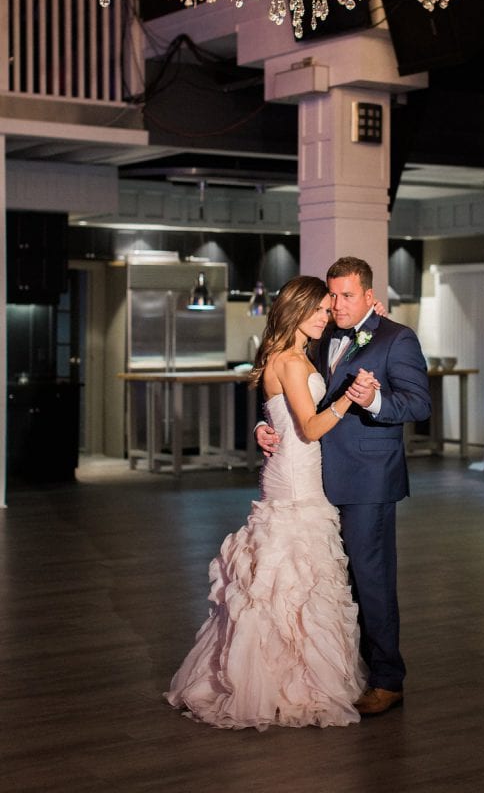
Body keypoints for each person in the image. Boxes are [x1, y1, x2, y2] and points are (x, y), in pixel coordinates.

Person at [165, 275, 377, 730]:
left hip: (291, 472)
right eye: (320, 310)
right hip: (298, 482)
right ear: (298, 311)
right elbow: (311, 427)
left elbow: (279, 419)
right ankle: (285, 683)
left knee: (290, 582)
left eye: (328, 309)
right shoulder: (293, 362)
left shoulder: (291, 357)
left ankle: (290, 675)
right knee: (293, 580)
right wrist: (348, 400)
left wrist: (263, 431)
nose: (327, 316)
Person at [256, 256, 431, 716]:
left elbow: (418, 403)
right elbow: (294, 397)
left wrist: (372, 398)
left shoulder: (398, 338)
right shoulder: (323, 334)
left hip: (369, 479)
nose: (336, 305)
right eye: (332, 296)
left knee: (372, 578)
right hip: (316, 478)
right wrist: (264, 425)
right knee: (338, 581)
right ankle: (345, 666)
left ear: (369, 295)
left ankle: (389, 679)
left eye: (346, 295)